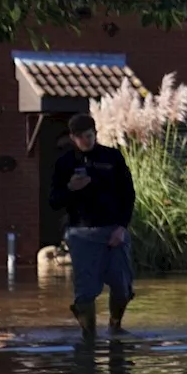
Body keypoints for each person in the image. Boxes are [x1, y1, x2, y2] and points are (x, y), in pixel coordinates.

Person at [49, 113, 136, 342]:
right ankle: (89, 337)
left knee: (122, 285)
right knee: (86, 291)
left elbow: (128, 195)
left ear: (95, 133)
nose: (84, 141)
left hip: (113, 230)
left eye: (88, 136)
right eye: (79, 137)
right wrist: (71, 188)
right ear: (72, 137)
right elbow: (54, 201)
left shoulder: (113, 157)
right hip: (81, 234)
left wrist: (121, 227)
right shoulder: (65, 163)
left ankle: (115, 327)